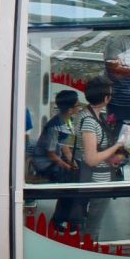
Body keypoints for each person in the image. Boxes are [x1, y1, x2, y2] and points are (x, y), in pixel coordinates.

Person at [70, 75, 129, 259]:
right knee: (92, 226)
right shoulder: (89, 121)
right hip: (96, 182)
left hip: (99, 178)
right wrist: (118, 145)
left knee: (92, 226)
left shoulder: (92, 115)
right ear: (105, 97)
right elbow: (91, 158)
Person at [33, 89, 81, 231]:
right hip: (45, 163)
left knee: (79, 175)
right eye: (78, 105)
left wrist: (72, 161)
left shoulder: (68, 121)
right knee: (70, 185)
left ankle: (71, 216)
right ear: (70, 108)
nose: (79, 107)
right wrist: (66, 165)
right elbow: (51, 152)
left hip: (56, 160)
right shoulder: (55, 125)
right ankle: (59, 219)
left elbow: (64, 144)